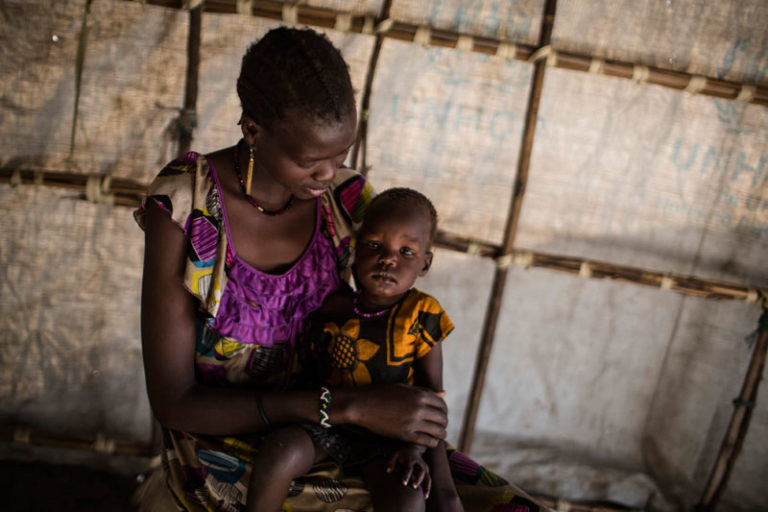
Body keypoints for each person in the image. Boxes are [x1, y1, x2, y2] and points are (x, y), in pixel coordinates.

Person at [136, 24, 542, 512]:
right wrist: (341, 406)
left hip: (341, 431)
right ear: (253, 130)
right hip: (223, 452)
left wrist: (399, 422)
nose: (328, 175)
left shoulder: (346, 200)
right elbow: (174, 401)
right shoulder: (187, 204)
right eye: (311, 161)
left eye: (341, 155)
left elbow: (387, 321)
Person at [246, 188, 463, 512]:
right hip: (327, 423)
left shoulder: (422, 314)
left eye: (406, 251)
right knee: (279, 452)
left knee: (408, 498)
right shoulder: (331, 306)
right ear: (356, 250)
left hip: (390, 437)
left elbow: (431, 397)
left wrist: (413, 451)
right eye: (375, 245)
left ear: (425, 263)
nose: (388, 258)